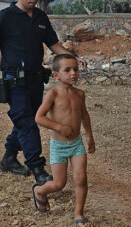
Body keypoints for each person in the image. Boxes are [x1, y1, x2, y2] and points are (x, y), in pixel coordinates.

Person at [0, 0, 86, 186]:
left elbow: (53, 45)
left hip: (36, 82)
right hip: (14, 82)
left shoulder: (40, 18)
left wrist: (72, 57)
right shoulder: (4, 17)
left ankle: (9, 158)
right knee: (27, 123)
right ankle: (37, 168)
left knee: (25, 121)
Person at [32, 54, 95, 227]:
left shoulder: (80, 94)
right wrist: (59, 127)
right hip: (58, 146)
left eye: (75, 69)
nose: (73, 73)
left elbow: (84, 115)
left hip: (76, 145)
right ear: (56, 75)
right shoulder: (53, 94)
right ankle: (39, 191)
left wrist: (90, 136)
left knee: (81, 178)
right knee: (59, 184)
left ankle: (79, 214)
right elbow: (39, 117)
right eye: (67, 70)